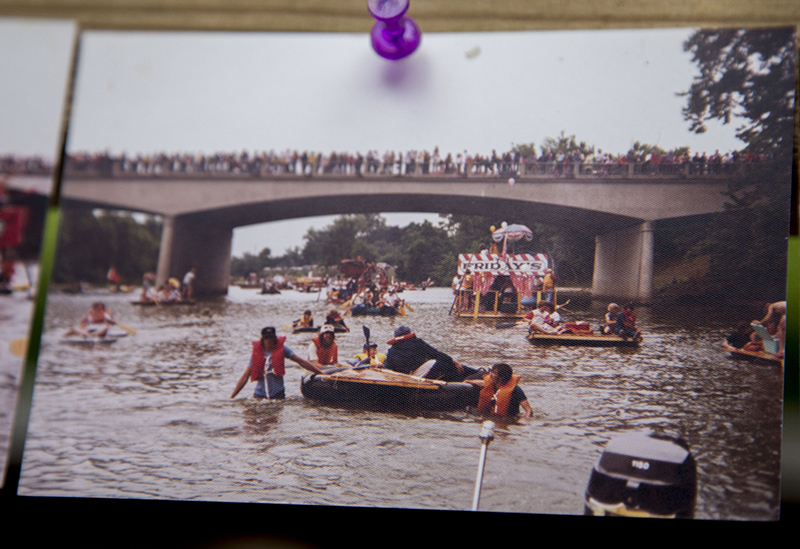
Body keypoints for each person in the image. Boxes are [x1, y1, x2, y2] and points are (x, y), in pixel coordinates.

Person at [230, 326, 323, 400]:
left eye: (271, 338)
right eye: (267, 338)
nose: (269, 340)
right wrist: (232, 397)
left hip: (277, 394)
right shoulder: (257, 352)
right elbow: (245, 376)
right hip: (260, 395)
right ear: (262, 340)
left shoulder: (282, 349)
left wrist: (320, 373)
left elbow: (301, 361)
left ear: (275, 338)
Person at [383, 326, 475, 382]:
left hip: (407, 376)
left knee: (440, 364)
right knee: (447, 364)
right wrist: (453, 361)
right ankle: (475, 374)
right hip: (420, 372)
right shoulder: (416, 342)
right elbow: (436, 354)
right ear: (409, 334)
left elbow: (388, 368)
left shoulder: (392, 350)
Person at [465, 363, 533, 418]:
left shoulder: (515, 390)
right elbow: (481, 382)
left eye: (494, 373)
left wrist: (524, 419)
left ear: (501, 378)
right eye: (491, 371)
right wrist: (468, 381)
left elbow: (529, 410)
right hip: (493, 415)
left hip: (509, 418)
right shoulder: (491, 384)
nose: (490, 374)